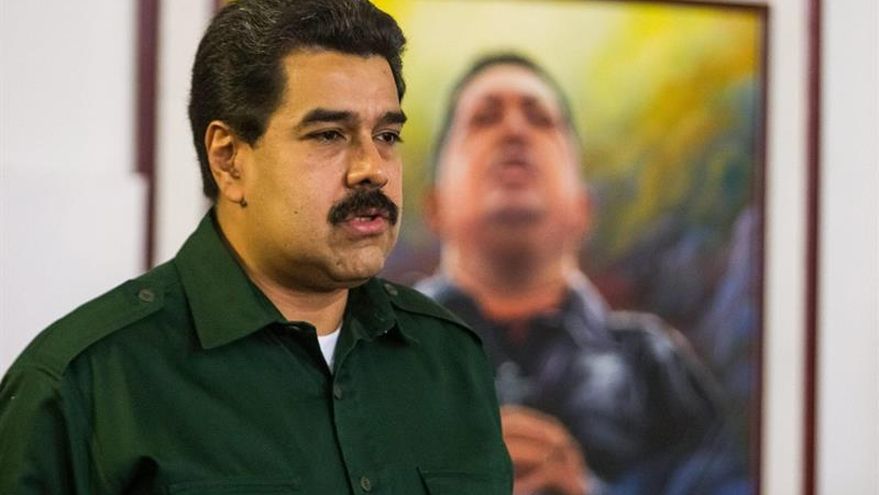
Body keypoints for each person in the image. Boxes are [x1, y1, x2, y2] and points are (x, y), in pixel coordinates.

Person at [0, 1, 512, 493]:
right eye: (329, 135)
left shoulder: (449, 359)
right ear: (228, 160)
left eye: (386, 135)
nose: (372, 168)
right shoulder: (88, 382)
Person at [417, 53, 747, 495]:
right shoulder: (364, 359)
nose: (514, 131)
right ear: (434, 206)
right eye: (484, 118)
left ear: (583, 209)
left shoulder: (655, 367)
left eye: (540, 119)